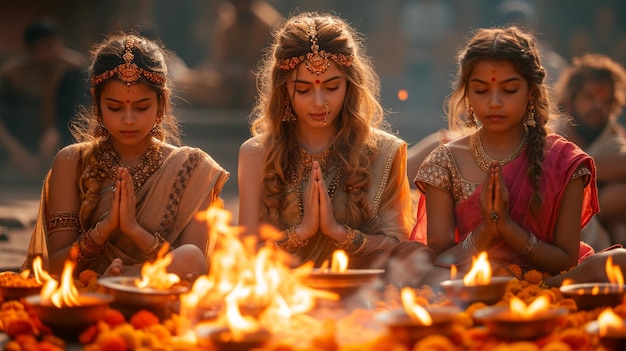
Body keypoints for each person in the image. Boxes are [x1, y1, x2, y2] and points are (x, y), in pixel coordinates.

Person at [411, 26, 626, 289]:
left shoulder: (565, 161)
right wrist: (486, 232)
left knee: (620, 261)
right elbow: (439, 259)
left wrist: (510, 230)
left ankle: (527, 291)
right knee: (421, 271)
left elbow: (566, 260)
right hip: (471, 284)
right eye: (481, 91)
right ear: (467, 94)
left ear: (532, 93)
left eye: (509, 90)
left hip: (550, 281)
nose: (494, 102)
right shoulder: (445, 161)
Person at [21, 33, 229, 279]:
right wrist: (103, 229)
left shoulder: (193, 168)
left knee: (190, 256)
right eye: (115, 107)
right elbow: (56, 265)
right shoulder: (72, 162)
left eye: (142, 107)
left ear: (161, 104)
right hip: (90, 291)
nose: (128, 120)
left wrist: (134, 231)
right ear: (98, 104)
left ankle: (123, 279)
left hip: (152, 289)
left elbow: (196, 268)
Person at [238, 12, 415, 269]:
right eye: (304, 89)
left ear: (350, 85)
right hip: (283, 297)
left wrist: (338, 232)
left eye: (331, 88)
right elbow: (244, 256)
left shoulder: (384, 152)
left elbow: (400, 249)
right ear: (284, 90)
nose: (319, 102)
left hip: (362, 295)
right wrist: (302, 232)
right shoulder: (256, 154)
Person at [0, 17, 86, 182]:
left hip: (60, 135)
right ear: (31, 49)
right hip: (18, 139)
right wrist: (17, 153)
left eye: (52, 46)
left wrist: (53, 132)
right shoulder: (12, 74)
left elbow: (77, 110)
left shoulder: (73, 69)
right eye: (42, 48)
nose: (49, 53)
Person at [555, 53, 626, 248]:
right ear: (569, 100)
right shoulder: (550, 136)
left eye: (606, 101)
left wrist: (570, 169)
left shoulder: (610, 139)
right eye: (590, 97)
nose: (598, 106)